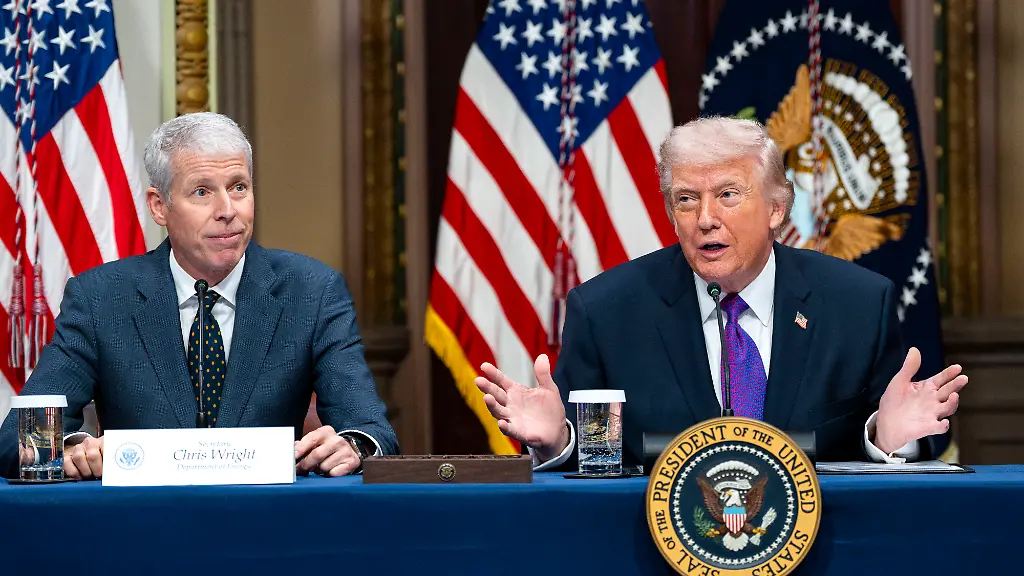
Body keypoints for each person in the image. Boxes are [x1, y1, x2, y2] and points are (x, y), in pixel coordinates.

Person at [475, 116, 966, 469]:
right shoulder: (606, 312)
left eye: (728, 195)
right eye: (686, 199)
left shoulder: (857, 305)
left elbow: (893, 439)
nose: (705, 218)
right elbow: (586, 460)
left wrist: (889, 438)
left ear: (776, 209)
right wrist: (555, 440)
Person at [0, 112, 398, 479]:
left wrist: (353, 446)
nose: (227, 210)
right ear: (159, 206)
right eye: (203, 192)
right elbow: (14, 441)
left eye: (239, 187)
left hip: (268, 517)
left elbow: (371, 431)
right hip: (145, 521)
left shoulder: (311, 291)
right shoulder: (101, 298)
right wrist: (73, 448)